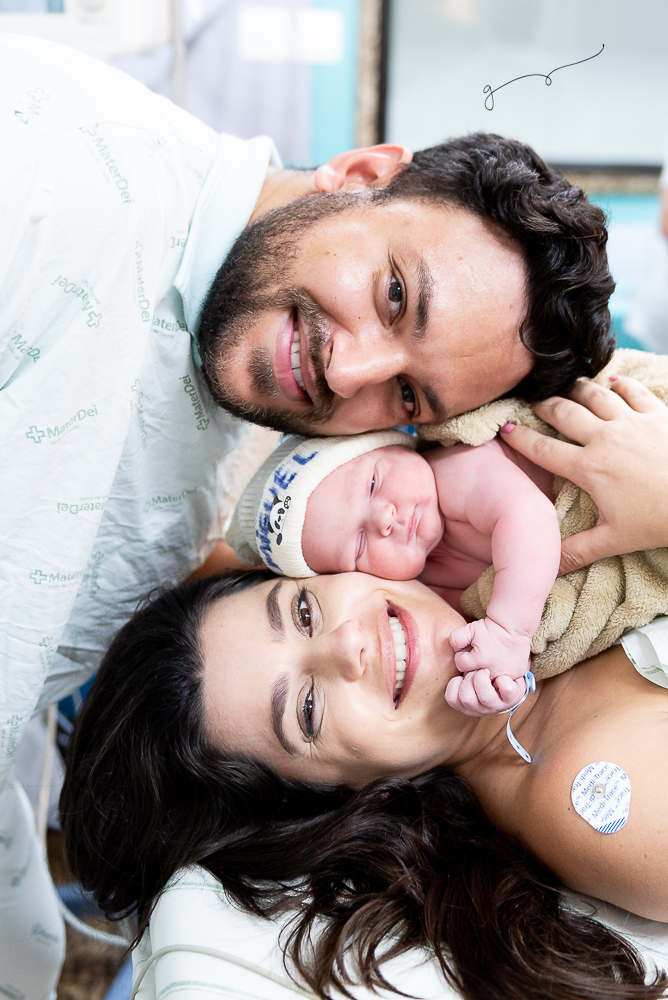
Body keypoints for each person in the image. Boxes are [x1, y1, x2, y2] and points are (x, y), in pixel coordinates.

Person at [0, 29, 614, 996]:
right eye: (395, 294)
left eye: (406, 396)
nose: (350, 369)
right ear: (362, 173)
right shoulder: (46, 156)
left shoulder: (195, 505)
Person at [61, 376, 668, 1000]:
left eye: (302, 611)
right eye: (307, 709)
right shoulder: (588, 796)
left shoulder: (517, 592)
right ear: (341, 798)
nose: (346, 644)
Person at [225, 427, 559, 716]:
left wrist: (509, 633)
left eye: (372, 483)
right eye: (358, 544)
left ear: (393, 445)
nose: (384, 518)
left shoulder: (456, 469)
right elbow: (475, 640)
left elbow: (530, 518)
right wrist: (490, 681)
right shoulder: (422, 585)